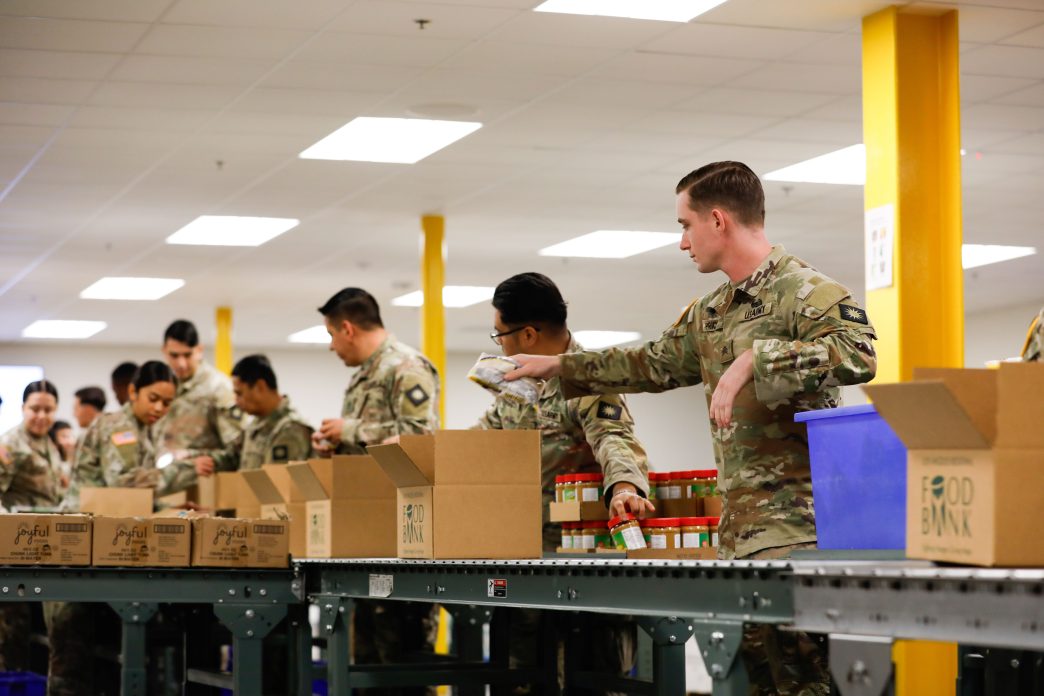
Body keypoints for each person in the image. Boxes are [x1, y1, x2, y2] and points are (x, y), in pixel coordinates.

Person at [507, 161, 878, 696]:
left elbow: (859, 354)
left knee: (810, 684)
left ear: (718, 220)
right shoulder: (712, 311)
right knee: (758, 684)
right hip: (740, 538)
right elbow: (650, 362)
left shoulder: (805, 291)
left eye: (685, 224)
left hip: (801, 533)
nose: (683, 242)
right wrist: (560, 366)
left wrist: (757, 359)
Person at [474, 272, 653, 686]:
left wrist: (625, 487)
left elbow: (614, 438)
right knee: (520, 678)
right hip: (524, 559)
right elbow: (477, 445)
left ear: (529, 334)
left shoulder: (586, 379)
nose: (498, 343)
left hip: (582, 565)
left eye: (499, 334)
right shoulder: (514, 385)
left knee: (591, 679)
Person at [313, 288, 440, 690]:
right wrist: (338, 441)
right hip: (367, 532)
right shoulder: (362, 377)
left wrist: (350, 430)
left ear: (347, 328)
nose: (333, 347)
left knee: (400, 665)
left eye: (332, 335)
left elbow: (421, 439)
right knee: (365, 664)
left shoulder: (406, 367)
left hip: (404, 536)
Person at [51, 361, 176, 696]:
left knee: (99, 659)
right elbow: (123, 485)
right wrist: (183, 476)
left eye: (167, 403)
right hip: (77, 546)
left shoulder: (142, 428)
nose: (159, 408)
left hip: (102, 544)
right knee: (71, 660)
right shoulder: (120, 427)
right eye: (154, 398)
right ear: (133, 391)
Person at [0, 380, 63, 672]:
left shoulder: (48, 443)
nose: (41, 416)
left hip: (45, 546)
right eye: (35, 408)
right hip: (16, 548)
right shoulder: (11, 443)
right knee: (13, 628)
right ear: (23, 409)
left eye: (48, 410)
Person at [154, 320, 244, 487]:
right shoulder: (165, 385)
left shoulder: (218, 387)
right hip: (169, 482)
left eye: (187, 355)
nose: (181, 364)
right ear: (164, 351)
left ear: (199, 350)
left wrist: (188, 455)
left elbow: (236, 449)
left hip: (207, 483)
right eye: (174, 355)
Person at [216, 354, 313, 470]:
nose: (236, 401)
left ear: (260, 387)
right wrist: (212, 462)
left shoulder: (290, 428)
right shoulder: (254, 426)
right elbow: (232, 457)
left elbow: (278, 482)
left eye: (239, 393)